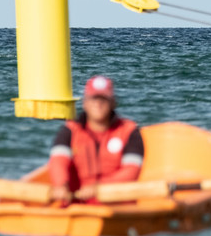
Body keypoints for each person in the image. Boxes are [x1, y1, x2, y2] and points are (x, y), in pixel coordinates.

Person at [48, 75, 144, 204]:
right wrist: (61, 184)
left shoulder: (130, 131)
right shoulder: (70, 130)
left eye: (103, 99)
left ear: (113, 103)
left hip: (117, 208)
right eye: (94, 99)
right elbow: (58, 161)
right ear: (85, 103)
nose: (98, 104)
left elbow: (131, 171)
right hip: (77, 205)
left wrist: (98, 188)